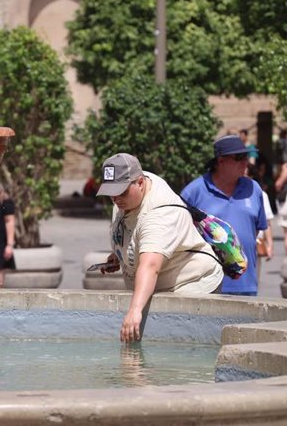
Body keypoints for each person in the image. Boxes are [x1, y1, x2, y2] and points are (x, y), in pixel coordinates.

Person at [96, 153, 223, 343]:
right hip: (159, 281)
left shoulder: (160, 214)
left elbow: (150, 266)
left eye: (121, 192)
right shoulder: (129, 195)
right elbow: (135, 235)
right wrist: (120, 256)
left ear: (140, 182)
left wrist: (134, 311)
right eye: (111, 192)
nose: (116, 199)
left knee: (177, 353)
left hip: (191, 284)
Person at [180, 135, 268, 296]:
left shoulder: (253, 189)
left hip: (246, 285)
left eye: (246, 157)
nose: (246, 162)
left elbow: (254, 231)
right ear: (221, 161)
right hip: (207, 285)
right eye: (240, 158)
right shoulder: (193, 192)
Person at [247, 164, 274, 284]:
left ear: (251, 176)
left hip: (255, 244)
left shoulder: (261, 194)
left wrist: (270, 245)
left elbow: (267, 222)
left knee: (253, 281)